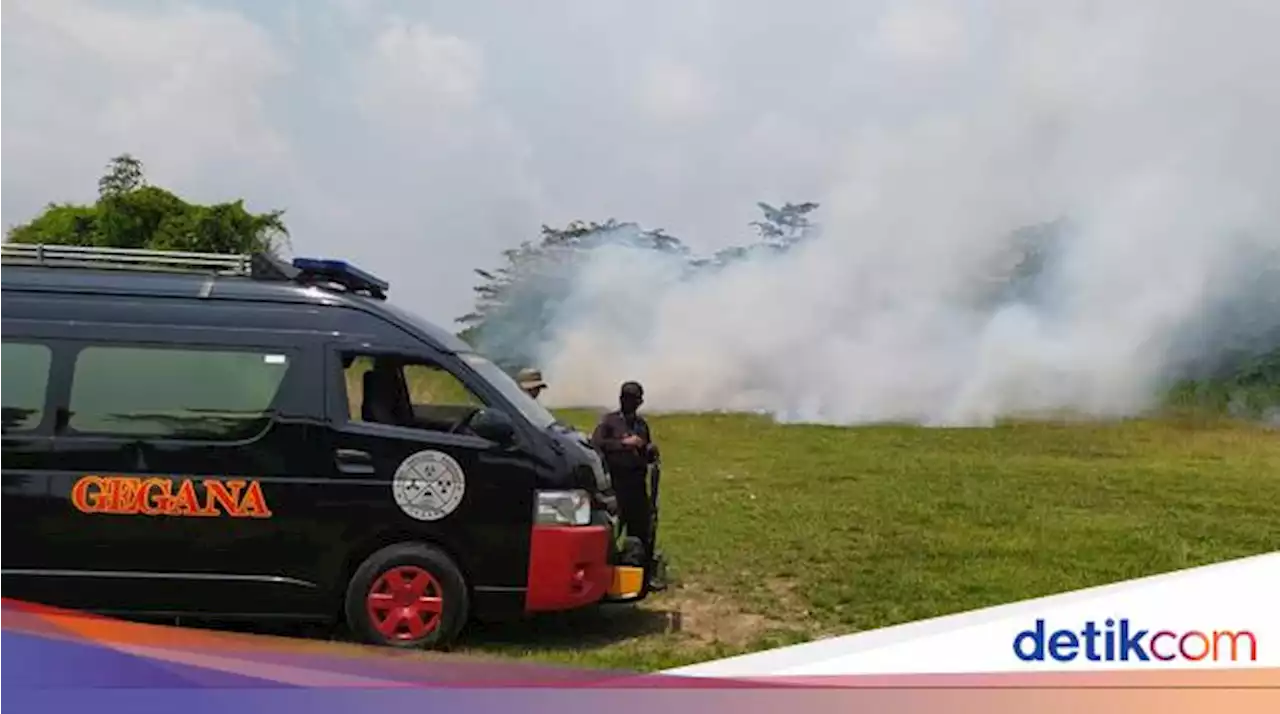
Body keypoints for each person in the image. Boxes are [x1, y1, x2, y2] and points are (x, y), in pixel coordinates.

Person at [591, 381, 658, 550]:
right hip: (616, 484)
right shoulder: (609, 422)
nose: (631, 403)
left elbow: (645, 452)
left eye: (635, 400)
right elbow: (597, 444)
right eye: (627, 399)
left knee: (640, 532)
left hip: (637, 486)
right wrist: (623, 443)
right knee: (611, 533)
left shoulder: (641, 425)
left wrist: (648, 450)